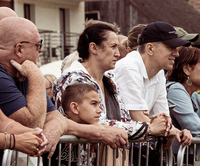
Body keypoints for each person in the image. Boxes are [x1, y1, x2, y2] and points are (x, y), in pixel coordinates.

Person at [0, 17, 129, 160]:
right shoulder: (14, 74)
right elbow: (33, 123)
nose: (41, 50)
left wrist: (54, 129)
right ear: (19, 49)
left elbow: (55, 117)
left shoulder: (24, 72)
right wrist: (36, 75)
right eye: (38, 44)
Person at [53, 23, 169, 139]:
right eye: (113, 47)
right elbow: (99, 123)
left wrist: (152, 124)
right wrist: (148, 128)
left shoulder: (110, 79)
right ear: (93, 48)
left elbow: (124, 119)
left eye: (117, 47)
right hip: (77, 155)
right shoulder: (73, 79)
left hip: (107, 155)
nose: (118, 54)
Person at [114, 21, 193, 148]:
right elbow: (137, 118)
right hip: (115, 150)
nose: (176, 53)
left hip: (129, 148)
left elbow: (164, 120)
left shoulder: (159, 73)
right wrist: (174, 131)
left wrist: (174, 131)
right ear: (150, 48)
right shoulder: (128, 67)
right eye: (170, 47)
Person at [55, 83, 128, 166]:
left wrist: (97, 129)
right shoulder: (57, 124)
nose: (99, 110)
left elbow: (122, 134)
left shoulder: (95, 126)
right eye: (94, 104)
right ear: (75, 108)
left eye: (99, 104)